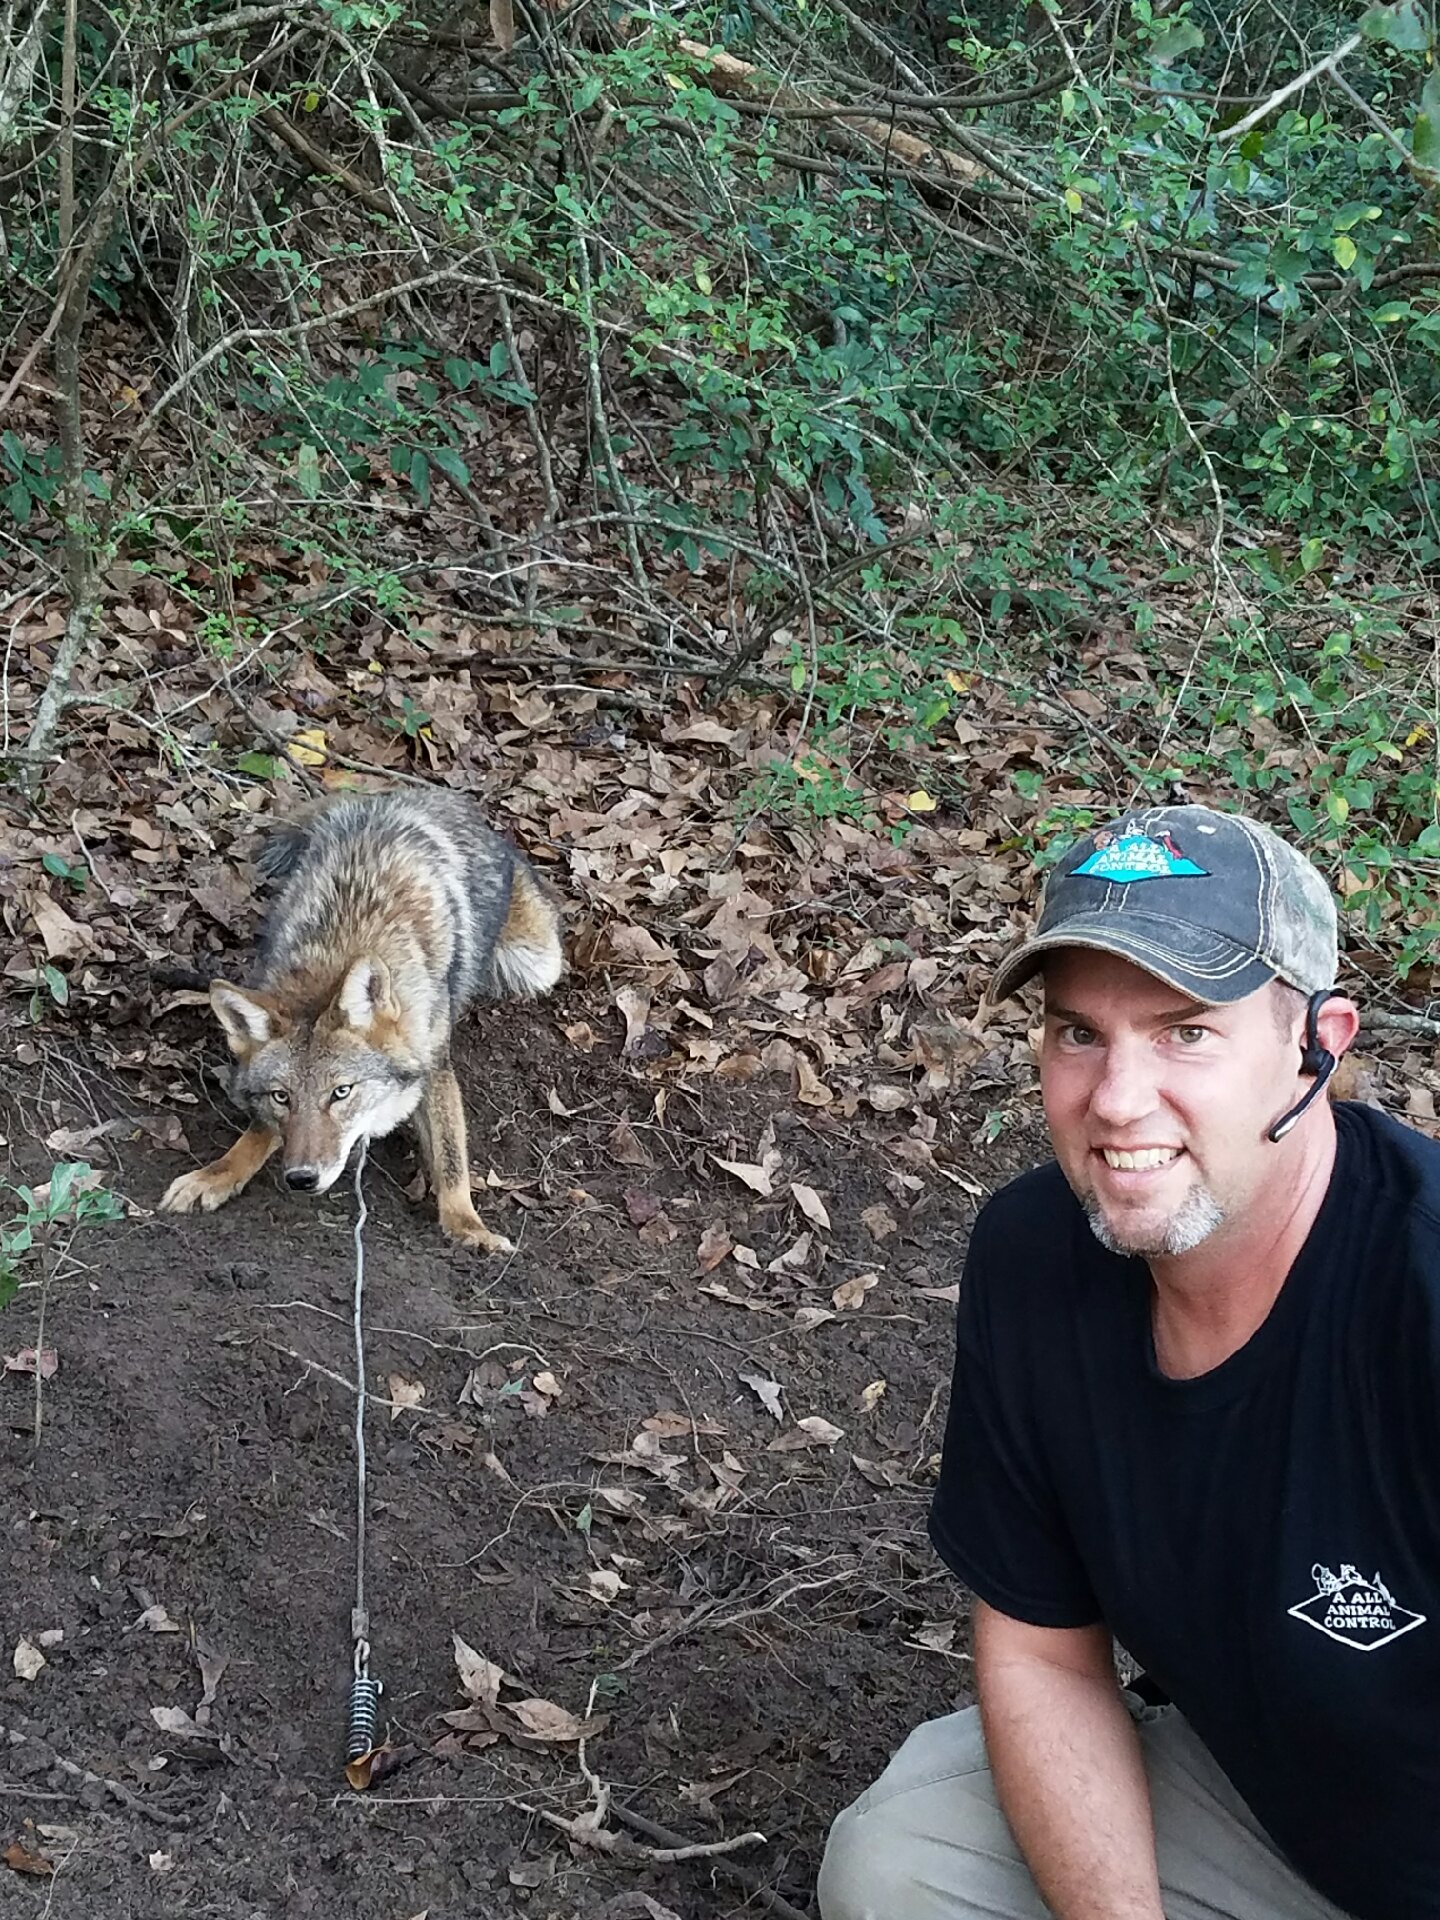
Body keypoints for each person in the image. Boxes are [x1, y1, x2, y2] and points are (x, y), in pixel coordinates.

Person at [818, 804, 1440, 1920]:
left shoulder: (1418, 1291)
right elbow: (1046, 1657)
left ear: (1320, 1043)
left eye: (1185, 1032)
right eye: (1079, 1033)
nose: (1114, 1101)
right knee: (899, 1866)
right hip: (1267, 1794)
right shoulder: (1034, 1256)